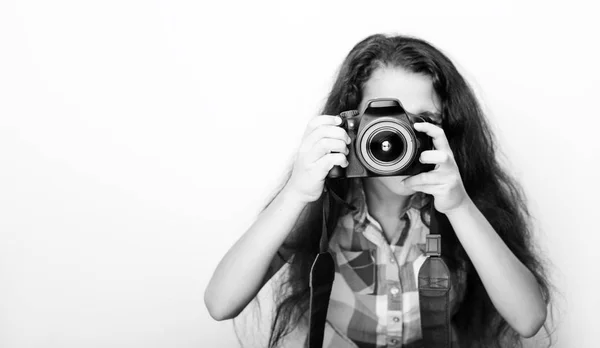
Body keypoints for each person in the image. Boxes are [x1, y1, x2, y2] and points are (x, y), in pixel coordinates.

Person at [204, 34, 552, 348]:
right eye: (386, 118)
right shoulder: (323, 205)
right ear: (351, 124)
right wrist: (297, 191)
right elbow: (220, 304)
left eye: (423, 121)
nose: (399, 138)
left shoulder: (461, 199)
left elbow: (529, 319)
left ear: (447, 129)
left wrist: (459, 206)